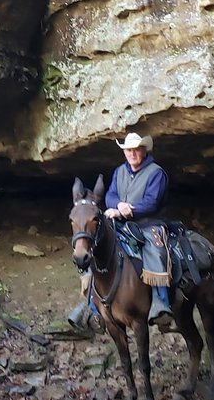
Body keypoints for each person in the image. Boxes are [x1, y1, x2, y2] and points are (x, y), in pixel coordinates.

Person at [68, 131, 174, 332]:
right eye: (128, 150)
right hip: (121, 221)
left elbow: (152, 202)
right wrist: (118, 206)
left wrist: (130, 209)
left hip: (148, 223)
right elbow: (110, 195)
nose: (132, 154)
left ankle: (161, 303)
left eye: (136, 150)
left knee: (157, 251)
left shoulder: (156, 173)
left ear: (143, 151)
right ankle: (90, 305)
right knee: (96, 249)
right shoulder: (120, 171)